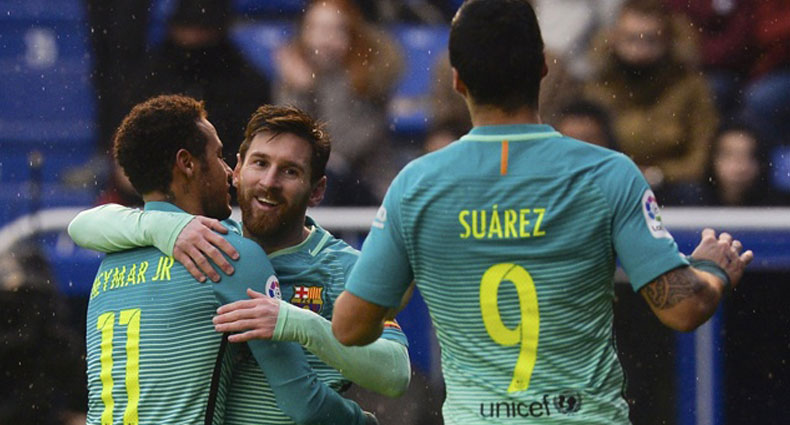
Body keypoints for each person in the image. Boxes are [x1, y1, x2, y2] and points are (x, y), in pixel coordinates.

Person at [329, 1, 753, 424]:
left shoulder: (416, 185)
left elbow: (349, 328)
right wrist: (711, 270)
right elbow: (683, 309)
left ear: (457, 80)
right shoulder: (609, 173)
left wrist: (390, 293)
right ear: (543, 69)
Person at [68, 102, 410, 423]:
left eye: (290, 171)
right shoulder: (208, 245)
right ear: (237, 170)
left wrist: (300, 324)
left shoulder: (341, 267)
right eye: (260, 163)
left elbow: (396, 374)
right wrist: (165, 228)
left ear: (317, 190)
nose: (269, 182)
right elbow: (82, 225)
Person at [274, 0, 404, 199]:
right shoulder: (296, 79)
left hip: (367, 186)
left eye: (335, 30)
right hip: (312, 184)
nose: (324, 40)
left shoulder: (370, 79)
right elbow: (286, 142)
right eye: (316, 29)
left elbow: (342, 148)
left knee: (326, 176)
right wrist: (300, 92)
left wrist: (309, 90)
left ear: (352, 36)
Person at [583, 0, 718, 190]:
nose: (639, 50)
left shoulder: (689, 87)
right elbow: (584, 153)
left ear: (668, 41)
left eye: (650, 40)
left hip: (671, 187)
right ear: (613, 39)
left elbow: (700, 158)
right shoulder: (598, 87)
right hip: (610, 184)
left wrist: (659, 174)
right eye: (630, 39)